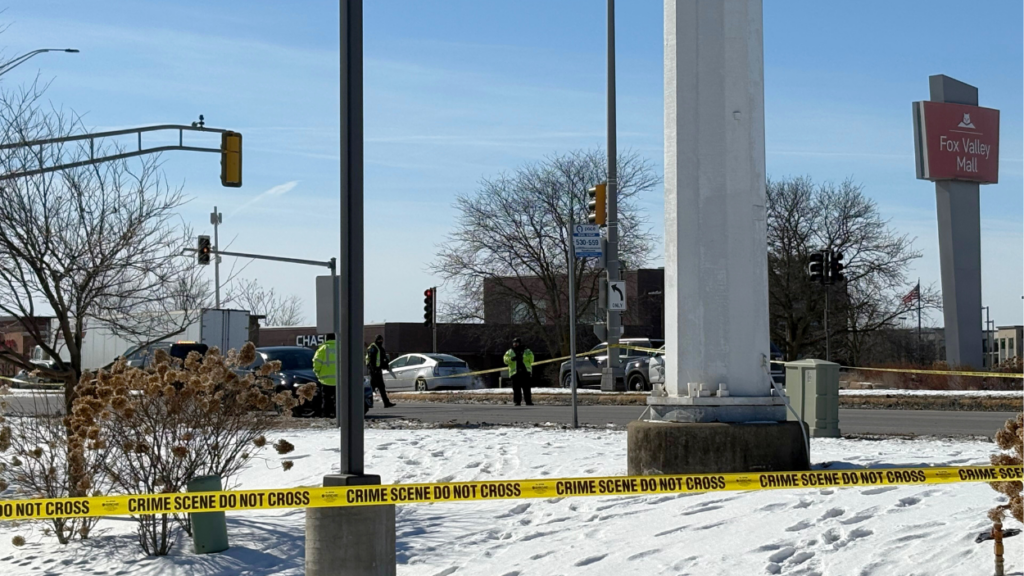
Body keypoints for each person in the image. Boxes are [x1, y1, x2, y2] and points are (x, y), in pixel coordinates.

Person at [365, 334, 396, 408]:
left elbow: (383, 359)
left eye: (381, 340)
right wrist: (373, 369)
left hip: (378, 370)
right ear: (376, 340)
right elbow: (371, 360)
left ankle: (386, 403)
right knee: (373, 387)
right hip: (374, 371)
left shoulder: (380, 348)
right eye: (379, 340)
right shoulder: (373, 348)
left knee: (381, 387)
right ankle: (366, 402)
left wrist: (386, 366)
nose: (380, 341)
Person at [312, 334, 338, 418]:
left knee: (326, 399)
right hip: (339, 380)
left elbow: (316, 362)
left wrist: (317, 373)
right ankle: (338, 415)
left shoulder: (323, 348)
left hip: (325, 380)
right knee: (339, 400)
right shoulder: (341, 347)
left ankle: (326, 415)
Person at [503, 337, 534, 406]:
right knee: (516, 389)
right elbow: (505, 360)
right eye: (514, 343)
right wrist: (512, 359)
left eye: (517, 343)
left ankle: (528, 401)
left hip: (525, 372)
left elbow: (531, 359)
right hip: (515, 373)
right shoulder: (510, 351)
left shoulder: (527, 351)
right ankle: (517, 402)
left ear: (520, 343)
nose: (515, 345)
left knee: (526, 388)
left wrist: (523, 358)